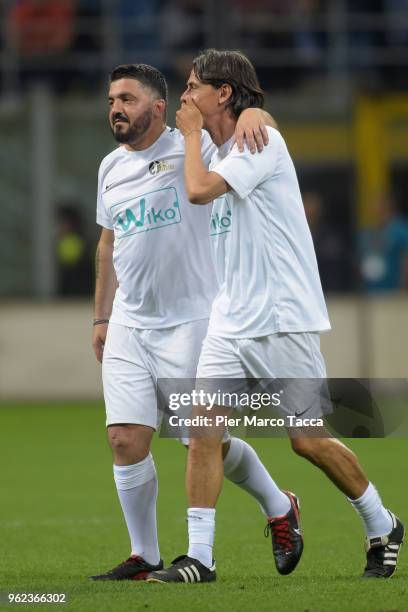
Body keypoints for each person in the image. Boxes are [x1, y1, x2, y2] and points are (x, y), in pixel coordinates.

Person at [146, 49, 404, 584]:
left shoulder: (257, 140)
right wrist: (215, 129)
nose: (185, 96)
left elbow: (197, 192)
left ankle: (383, 523)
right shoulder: (223, 144)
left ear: (224, 93)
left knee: (307, 440)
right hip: (229, 319)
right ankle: (200, 557)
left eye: (194, 86)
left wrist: (240, 120)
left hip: (280, 316)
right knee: (203, 430)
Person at [90, 63, 299, 581]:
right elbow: (108, 242)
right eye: (112, 99)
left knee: (204, 440)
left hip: (193, 320)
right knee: (124, 438)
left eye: (128, 99)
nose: (116, 108)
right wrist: (101, 315)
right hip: (130, 324)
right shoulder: (109, 167)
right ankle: (146, 555)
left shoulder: (195, 143)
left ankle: (278, 503)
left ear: (158, 107)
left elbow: (252, 127)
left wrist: (253, 109)